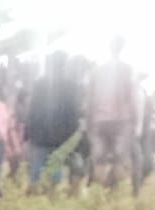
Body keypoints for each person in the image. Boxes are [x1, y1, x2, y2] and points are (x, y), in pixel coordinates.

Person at [26, 52, 84, 194]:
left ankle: (33, 202)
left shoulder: (39, 84)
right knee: (54, 171)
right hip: (61, 138)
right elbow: (74, 113)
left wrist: (28, 134)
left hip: (40, 136)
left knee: (36, 171)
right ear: (64, 65)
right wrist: (72, 136)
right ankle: (51, 201)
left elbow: (32, 110)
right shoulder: (72, 86)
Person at [87, 36, 135, 189]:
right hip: (121, 121)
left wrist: (89, 122)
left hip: (100, 120)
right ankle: (110, 188)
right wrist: (134, 121)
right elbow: (130, 96)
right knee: (120, 161)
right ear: (122, 47)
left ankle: (102, 192)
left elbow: (90, 98)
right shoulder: (127, 70)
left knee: (99, 160)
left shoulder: (97, 71)